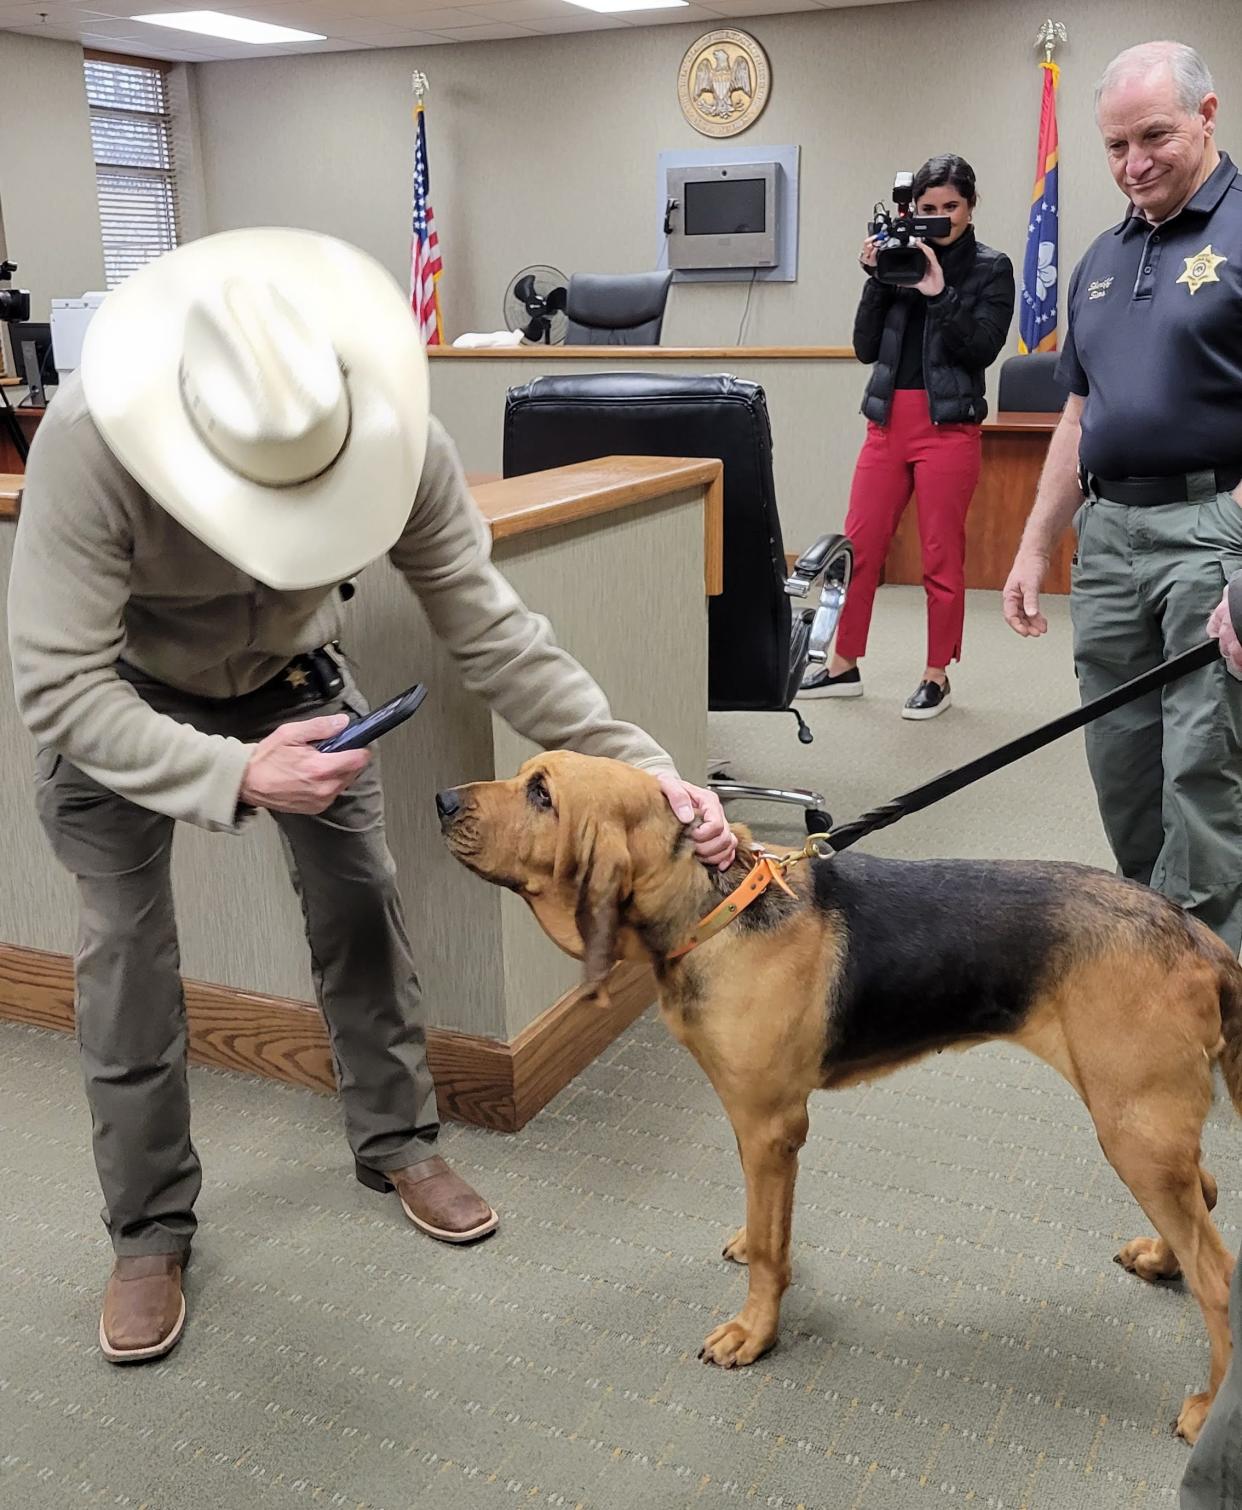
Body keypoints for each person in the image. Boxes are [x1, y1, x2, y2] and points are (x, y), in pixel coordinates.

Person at [6, 227, 735, 1365]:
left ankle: (398, 1139)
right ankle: (147, 1229)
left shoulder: (397, 431)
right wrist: (237, 771)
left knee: (361, 904)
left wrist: (646, 768)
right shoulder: (91, 444)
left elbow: (494, 631)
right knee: (124, 960)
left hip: (298, 682)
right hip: (126, 702)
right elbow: (55, 684)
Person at [1003, 40, 1242, 953]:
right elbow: (1078, 414)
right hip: (1109, 541)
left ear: (1206, 116)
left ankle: (1218, 1001)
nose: (1133, 164)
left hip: (1211, 531)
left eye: (1154, 136)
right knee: (1123, 767)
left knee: (1206, 771)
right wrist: (1034, 545)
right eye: (1114, 145)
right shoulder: (1101, 256)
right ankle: (1159, 969)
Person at [799, 154, 1015, 719]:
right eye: (927, 209)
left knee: (940, 556)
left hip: (948, 427)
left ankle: (937, 674)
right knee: (859, 547)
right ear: (911, 209)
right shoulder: (898, 258)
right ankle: (844, 662)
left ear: (971, 206)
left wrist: (939, 292)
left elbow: (981, 349)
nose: (940, 219)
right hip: (886, 420)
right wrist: (877, 280)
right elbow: (866, 347)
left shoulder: (992, 268)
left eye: (951, 208)